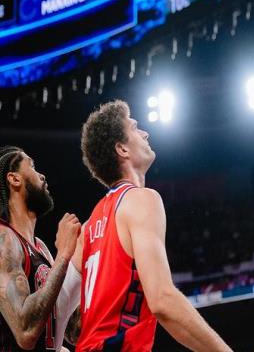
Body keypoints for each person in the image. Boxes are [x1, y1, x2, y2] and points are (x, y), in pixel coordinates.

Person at [73, 100, 232, 352]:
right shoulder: (141, 199)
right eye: (135, 128)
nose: (145, 133)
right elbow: (162, 300)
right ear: (122, 149)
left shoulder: (89, 226)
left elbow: (71, 322)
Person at [0, 146, 81, 351]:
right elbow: (25, 332)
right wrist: (63, 256)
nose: (42, 176)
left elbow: (73, 330)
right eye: (33, 166)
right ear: (14, 179)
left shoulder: (41, 248)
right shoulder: (4, 240)